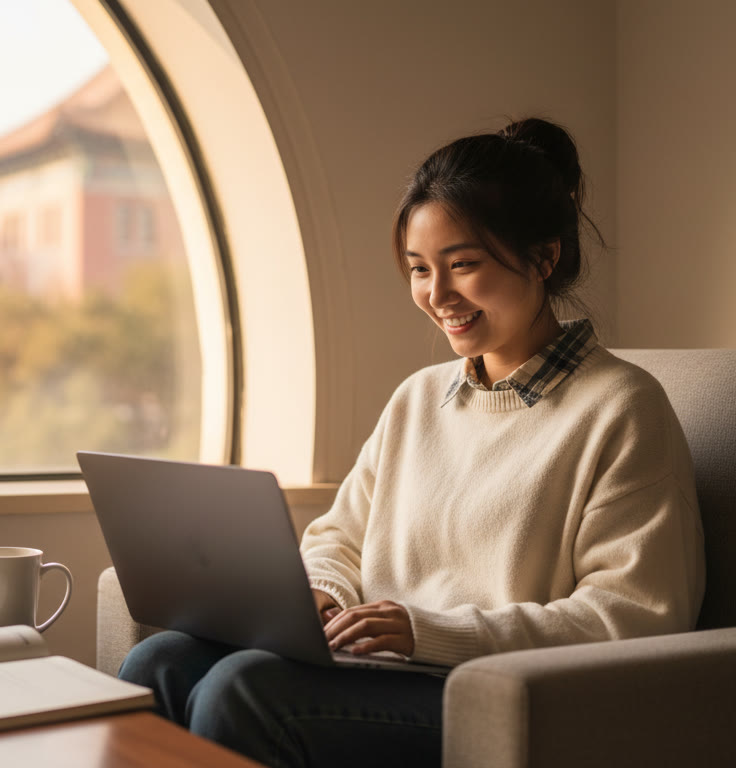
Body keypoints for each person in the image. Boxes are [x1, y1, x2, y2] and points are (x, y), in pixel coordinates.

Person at [117, 117, 705, 767]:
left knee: (242, 693)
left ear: (544, 256)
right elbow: (339, 538)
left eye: (463, 266)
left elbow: (634, 617)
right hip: (377, 666)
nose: (436, 295)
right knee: (159, 662)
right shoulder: (419, 398)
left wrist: (430, 632)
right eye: (420, 269)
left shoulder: (622, 408)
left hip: (485, 689)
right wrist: (325, 594)